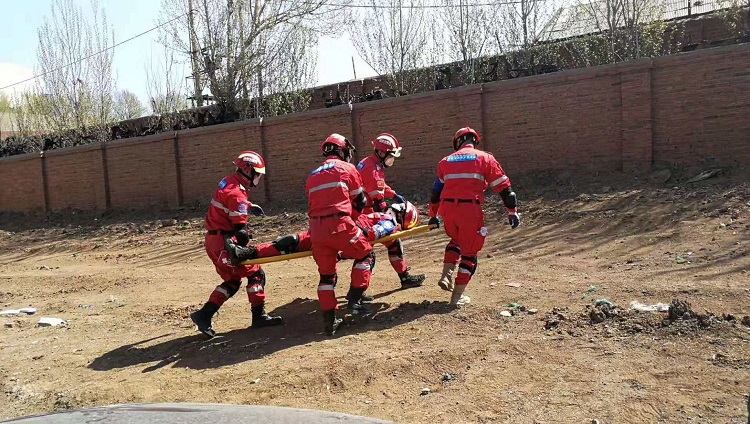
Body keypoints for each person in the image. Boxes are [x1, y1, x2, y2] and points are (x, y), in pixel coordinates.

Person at [305, 133, 398, 336]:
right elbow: (360, 201)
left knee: (326, 276)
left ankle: (330, 321)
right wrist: (353, 222)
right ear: (342, 150)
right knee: (366, 254)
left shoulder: (312, 175)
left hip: (316, 230)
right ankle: (355, 301)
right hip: (341, 225)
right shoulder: (348, 168)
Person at [189, 151, 283, 338]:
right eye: (257, 174)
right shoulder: (237, 193)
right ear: (248, 170)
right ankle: (258, 316)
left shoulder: (228, 181)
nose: (259, 178)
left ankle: (204, 315)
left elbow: (227, 201)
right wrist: (245, 246)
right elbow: (241, 232)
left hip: (214, 241)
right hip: (224, 242)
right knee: (256, 273)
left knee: (232, 280)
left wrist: (248, 206)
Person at [428, 127, 520, 307]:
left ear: (457, 142)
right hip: (469, 209)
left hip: (448, 209)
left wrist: (433, 215)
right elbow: (506, 191)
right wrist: (512, 211)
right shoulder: (485, 158)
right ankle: (457, 297)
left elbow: (435, 194)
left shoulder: (445, 161)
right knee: (470, 254)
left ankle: (446, 275)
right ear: (475, 141)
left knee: (456, 240)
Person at [226, 202, 420, 262]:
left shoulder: (386, 220)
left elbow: (371, 233)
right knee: (291, 241)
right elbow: (371, 234)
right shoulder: (387, 220)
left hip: (335, 230)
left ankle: (247, 252)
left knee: (291, 242)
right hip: (344, 232)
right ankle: (246, 252)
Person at [356, 133, 425, 290]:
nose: (392, 158)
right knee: (366, 251)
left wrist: (394, 195)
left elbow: (380, 187)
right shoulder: (372, 168)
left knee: (391, 243)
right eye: (390, 154)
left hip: (365, 211)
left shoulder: (372, 164)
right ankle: (358, 290)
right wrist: (390, 217)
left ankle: (403, 277)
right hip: (366, 214)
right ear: (381, 152)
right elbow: (378, 200)